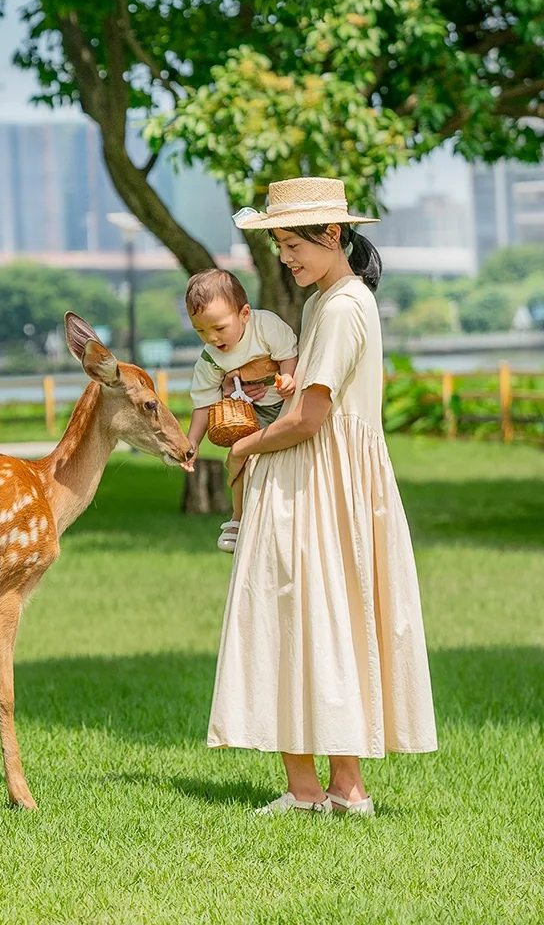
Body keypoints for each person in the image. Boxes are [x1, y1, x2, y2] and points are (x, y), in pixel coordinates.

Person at [207, 177, 437, 816]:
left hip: (317, 475)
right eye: (278, 244)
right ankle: (336, 789)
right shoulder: (330, 301)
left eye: (291, 244)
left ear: (332, 234)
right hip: (328, 475)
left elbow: (311, 419)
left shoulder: (337, 308)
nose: (284, 256)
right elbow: (309, 397)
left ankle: (322, 790)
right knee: (330, 617)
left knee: (301, 615)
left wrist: (244, 449)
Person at [185, 269, 298, 551]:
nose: (211, 337)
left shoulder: (265, 327)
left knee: (290, 459)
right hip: (250, 415)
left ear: (244, 314)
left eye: (219, 328)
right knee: (239, 461)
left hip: (286, 406)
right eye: (200, 331)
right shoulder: (211, 358)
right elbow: (203, 402)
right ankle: (238, 517)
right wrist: (192, 442)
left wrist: (287, 378)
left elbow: (287, 353)